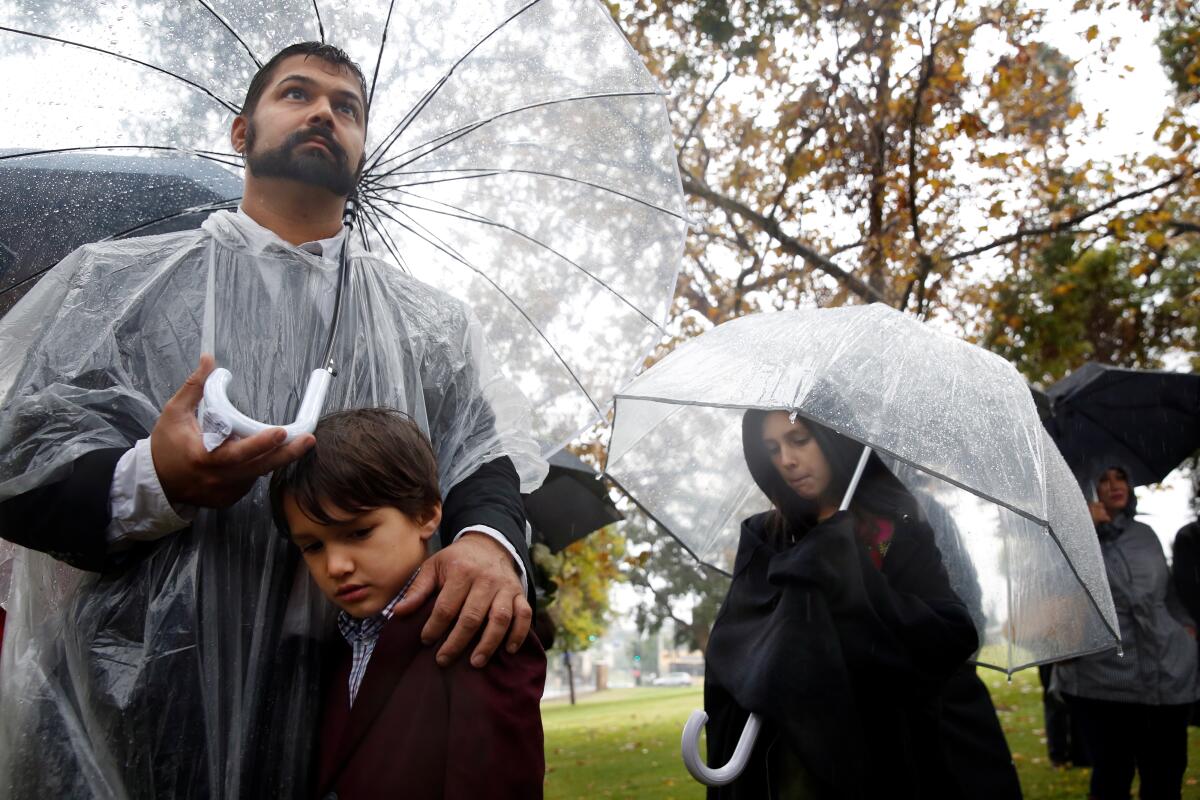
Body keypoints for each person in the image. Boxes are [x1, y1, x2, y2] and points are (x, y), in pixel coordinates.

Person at [0, 42, 545, 798]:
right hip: (141, 700)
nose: (324, 111)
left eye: (346, 107)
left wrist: (488, 546)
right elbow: (18, 464)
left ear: (360, 150)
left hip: (350, 704)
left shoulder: (429, 326)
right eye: (297, 93)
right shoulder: (115, 286)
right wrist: (155, 479)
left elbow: (482, 460)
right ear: (240, 132)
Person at [702, 410, 982, 799]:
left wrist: (852, 578)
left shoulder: (894, 529)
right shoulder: (767, 536)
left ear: (833, 437)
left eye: (799, 440)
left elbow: (950, 633)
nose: (786, 460)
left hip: (878, 752)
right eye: (772, 448)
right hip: (786, 754)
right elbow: (733, 645)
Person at [269, 409, 545, 799]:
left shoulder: (475, 626)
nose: (336, 566)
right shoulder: (334, 646)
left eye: (359, 532)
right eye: (313, 546)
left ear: (426, 514)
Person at [1053, 465, 1199, 800]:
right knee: (1112, 776)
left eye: (1120, 477)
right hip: (1104, 682)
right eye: (1103, 479)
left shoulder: (1144, 534)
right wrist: (1080, 530)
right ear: (1089, 490)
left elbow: (1168, 593)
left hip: (1166, 674)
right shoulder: (1070, 537)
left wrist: (1186, 628)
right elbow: (1055, 590)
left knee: (1165, 774)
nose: (1114, 485)